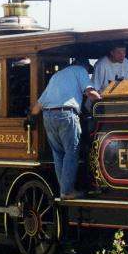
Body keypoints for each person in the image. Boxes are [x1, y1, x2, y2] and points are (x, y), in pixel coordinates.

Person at [25, 56, 101, 200]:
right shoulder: (80, 70)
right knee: (71, 152)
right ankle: (67, 191)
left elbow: (39, 104)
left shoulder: (57, 76)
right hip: (66, 114)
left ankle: (64, 191)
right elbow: (90, 93)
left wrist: (31, 118)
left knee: (58, 154)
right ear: (84, 66)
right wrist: (105, 103)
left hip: (48, 116)